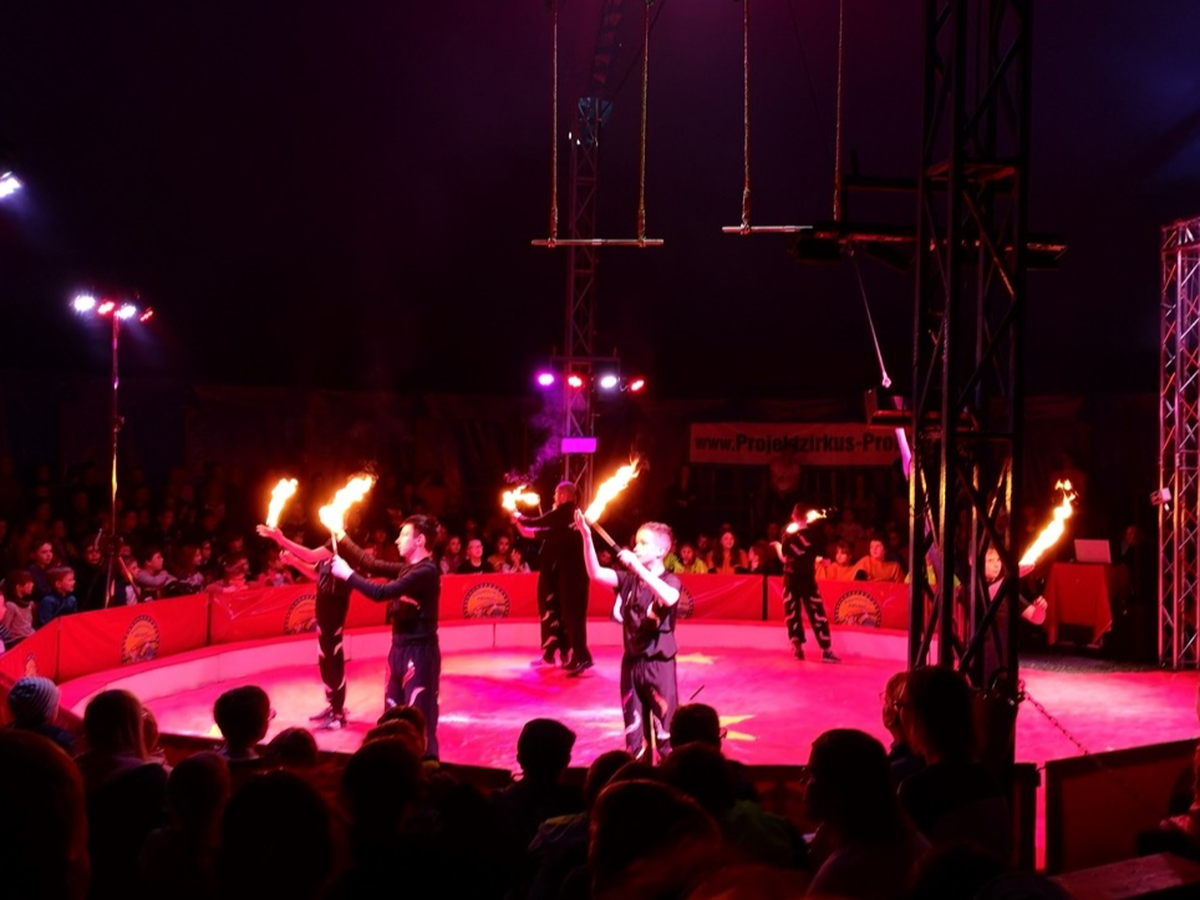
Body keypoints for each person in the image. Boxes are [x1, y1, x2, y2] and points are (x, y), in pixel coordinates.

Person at [331, 514, 443, 758]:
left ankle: (426, 766)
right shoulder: (406, 569)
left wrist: (347, 574)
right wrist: (340, 534)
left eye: (404, 535)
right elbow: (370, 564)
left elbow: (381, 593)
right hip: (398, 650)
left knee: (419, 718)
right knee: (391, 716)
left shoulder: (427, 571)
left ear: (420, 540)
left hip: (420, 653)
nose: (396, 540)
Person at [576, 509, 681, 761]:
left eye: (643, 543)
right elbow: (595, 573)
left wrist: (638, 568)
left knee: (666, 739)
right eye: (636, 542)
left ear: (661, 551)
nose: (636, 548)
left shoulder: (670, 581)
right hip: (631, 666)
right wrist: (586, 536)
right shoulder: (628, 581)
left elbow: (669, 598)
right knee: (635, 742)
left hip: (659, 667)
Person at [256, 524, 355, 730]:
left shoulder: (342, 545)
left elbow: (310, 555)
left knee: (332, 657)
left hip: (334, 610)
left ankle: (338, 714)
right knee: (325, 657)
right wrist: (293, 561)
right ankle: (333, 705)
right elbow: (316, 573)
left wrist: (280, 539)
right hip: (324, 610)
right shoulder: (331, 546)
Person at [513, 482, 590, 673]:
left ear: (563, 495)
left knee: (569, 616)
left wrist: (517, 515)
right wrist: (518, 522)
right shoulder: (567, 520)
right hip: (573, 575)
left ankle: (578, 657)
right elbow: (531, 531)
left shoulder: (563, 513)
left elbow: (532, 522)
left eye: (556, 493)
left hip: (569, 576)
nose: (554, 497)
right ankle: (576, 655)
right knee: (570, 616)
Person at [772, 504, 840, 663]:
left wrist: (777, 546)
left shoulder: (787, 534)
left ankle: (797, 649)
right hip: (808, 580)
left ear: (794, 516)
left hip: (790, 580)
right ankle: (826, 651)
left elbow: (784, 558)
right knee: (817, 613)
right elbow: (826, 562)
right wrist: (813, 558)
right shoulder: (816, 535)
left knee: (792, 613)